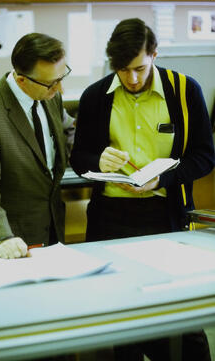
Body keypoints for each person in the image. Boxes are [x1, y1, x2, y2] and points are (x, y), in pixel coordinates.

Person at [70, 18, 214, 360]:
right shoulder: (95, 96)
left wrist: (161, 179)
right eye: (122, 70)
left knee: (181, 321)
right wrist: (97, 160)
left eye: (139, 68)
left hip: (165, 216)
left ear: (155, 55)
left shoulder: (184, 91)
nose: (132, 79)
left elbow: (205, 157)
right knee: (120, 320)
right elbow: (79, 158)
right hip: (110, 220)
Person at [0, 32, 75, 259]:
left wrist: (99, 156)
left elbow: (68, 132)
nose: (60, 89)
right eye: (52, 83)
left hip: (53, 230)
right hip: (10, 241)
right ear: (22, 80)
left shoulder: (51, 97)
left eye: (62, 77)